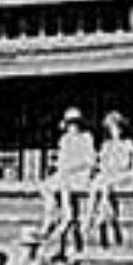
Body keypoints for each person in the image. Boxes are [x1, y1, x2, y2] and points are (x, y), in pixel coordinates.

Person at [40, 107, 98, 253]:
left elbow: (90, 161)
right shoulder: (64, 140)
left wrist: (71, 167)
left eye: (76, 123)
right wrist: (58, 168)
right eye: (70, 123)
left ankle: (67, 214)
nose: (73, 127)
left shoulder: (86, 138)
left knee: (64, 184)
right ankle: (50, 215)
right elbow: (61, 160)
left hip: (80, 175)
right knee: (46, 185)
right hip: (65, 175)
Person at [89, 110, 133, 247]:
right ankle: (95, 215)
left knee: (105, 186)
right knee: (96, 185)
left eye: (116, 128)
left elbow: (131, 167)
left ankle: (98, 219)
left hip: (122, 175)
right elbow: (102, 165)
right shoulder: (107, 146)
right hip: (109, 176)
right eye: (111, 128)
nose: (114, 131)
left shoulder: (128, 144)